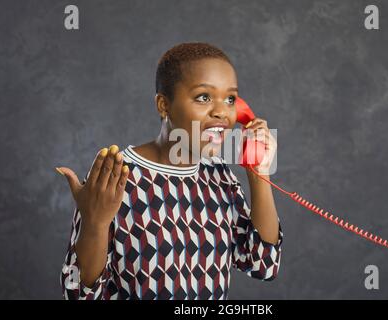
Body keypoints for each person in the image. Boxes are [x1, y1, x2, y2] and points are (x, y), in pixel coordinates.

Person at [56, 42, 284, 300]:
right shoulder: (116, 176)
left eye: (230, 99)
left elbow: (263, 265)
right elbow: (79, 295)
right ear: (164, 105)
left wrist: (258, 171)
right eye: (204, 97)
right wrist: (94, 224)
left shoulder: (220, 178)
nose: (222, 112)